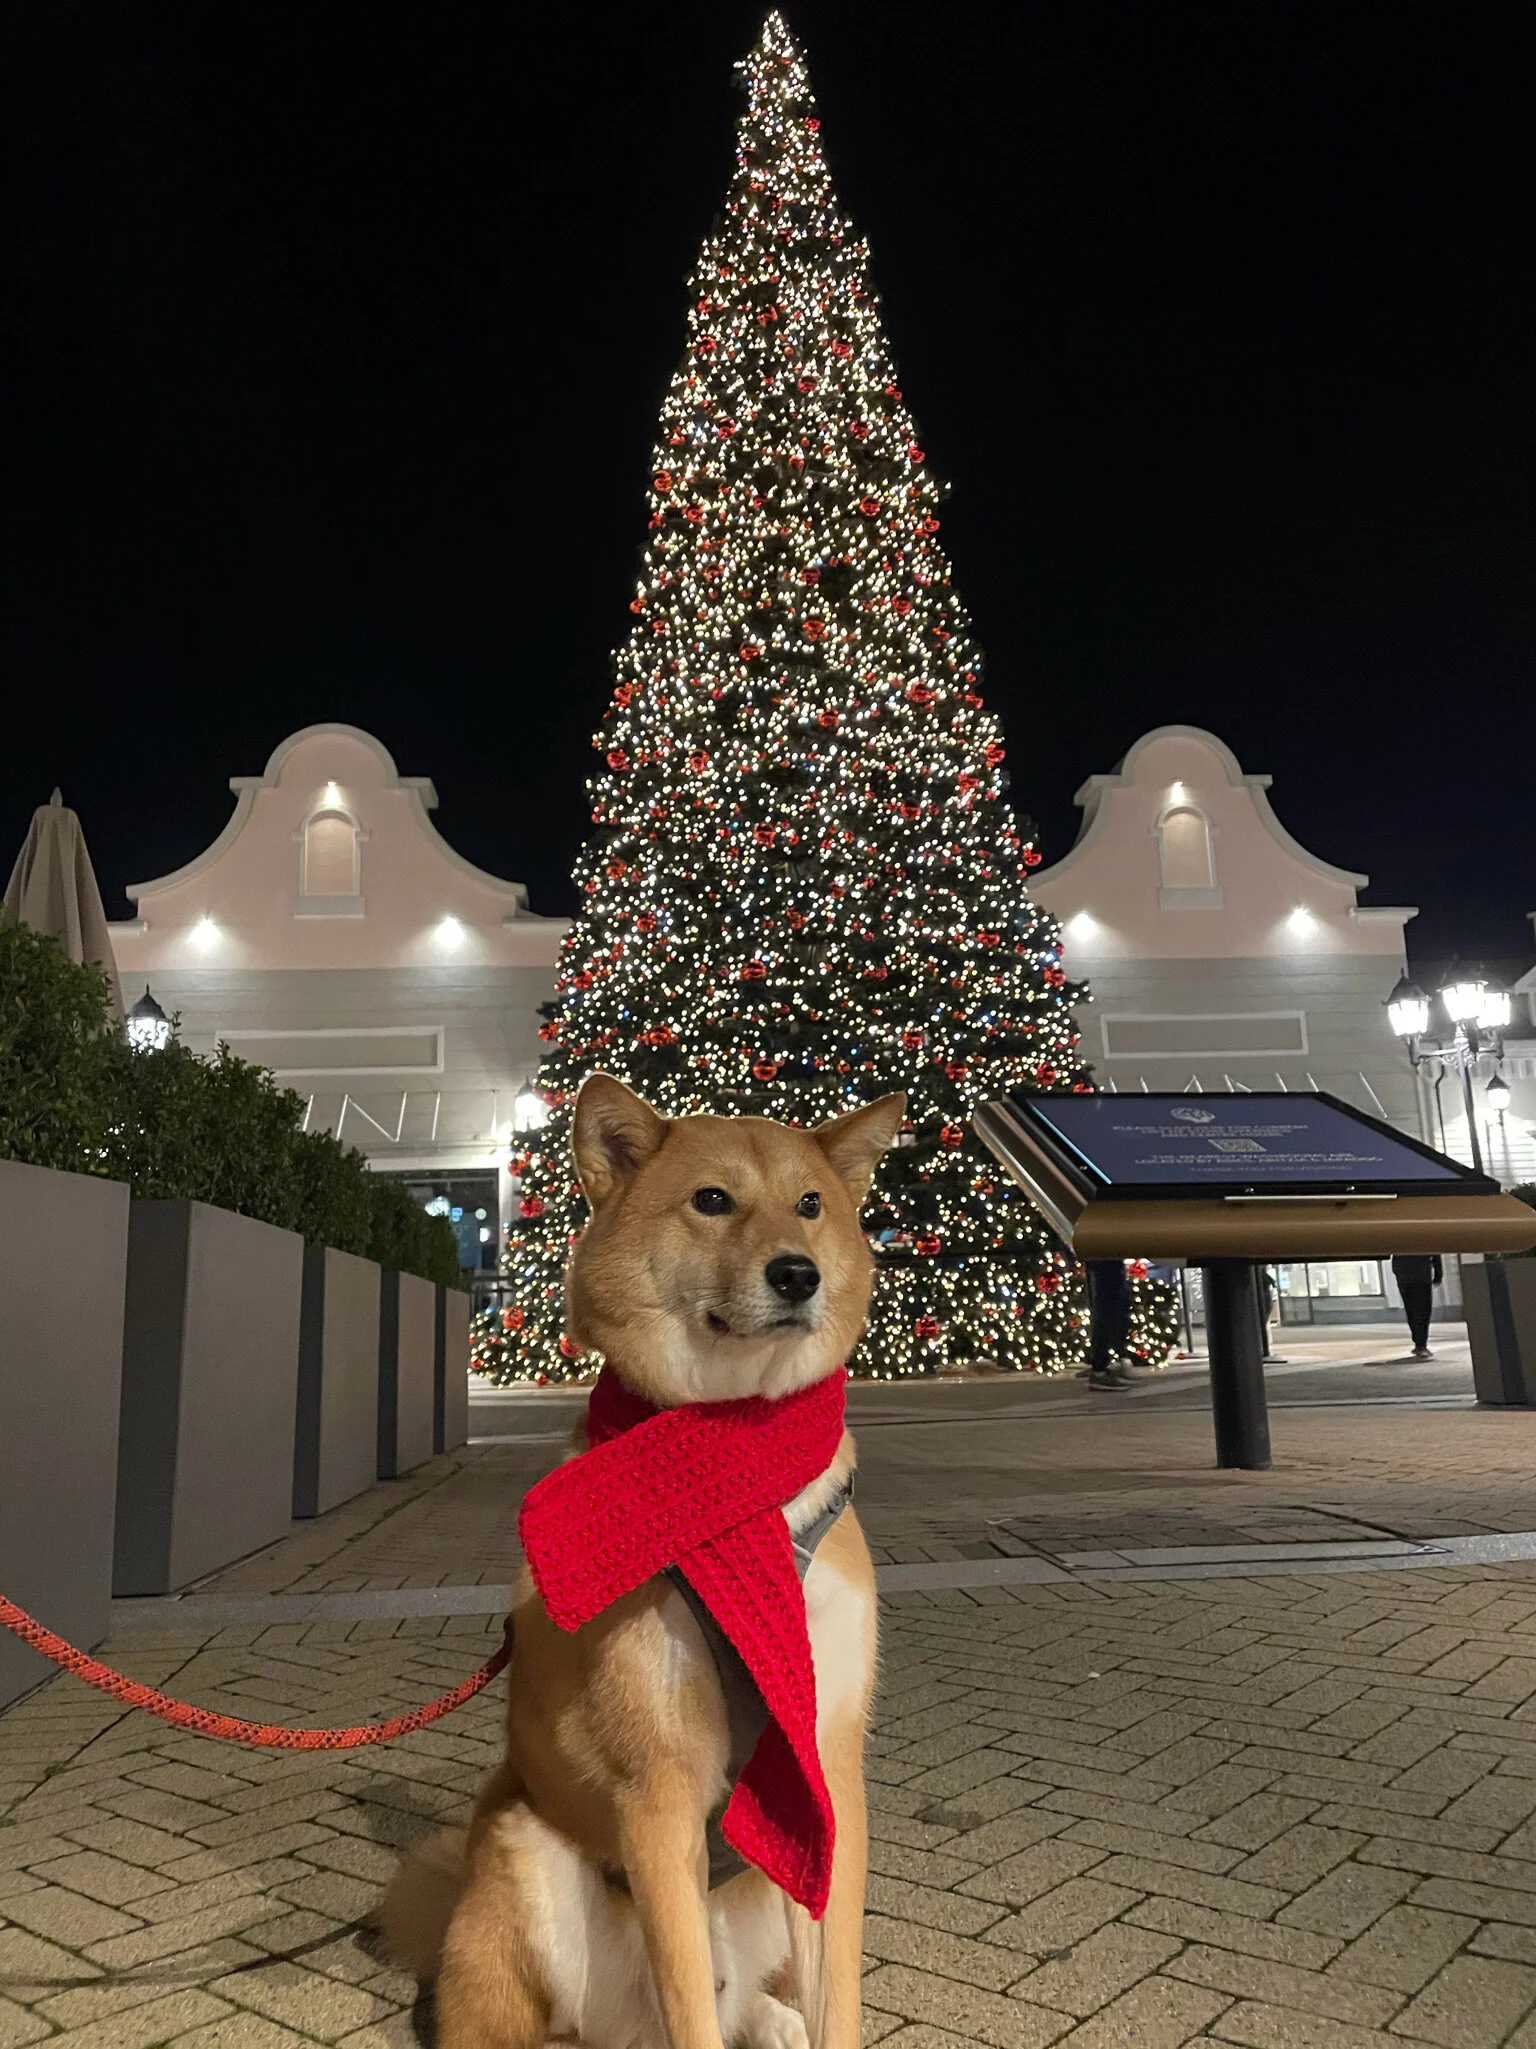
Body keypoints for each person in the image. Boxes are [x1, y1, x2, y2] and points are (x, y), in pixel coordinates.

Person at [1085, 1258, 1135, 1390]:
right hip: (1104, 1254)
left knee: (1113, 1303)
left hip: (1105, 1255)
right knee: (1107, 1305)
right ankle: (1099, 1370)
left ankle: (1102, 1366)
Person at [1391, 1252, 1443, 1360]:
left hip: (1405, 1277)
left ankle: (1418, 1342)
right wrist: (1438, 1275)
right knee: (1423, 1311)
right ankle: (1421, 1344)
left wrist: (1398, 1272)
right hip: (1422, 1276)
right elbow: (1435, 1253)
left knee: (1411, 1311)